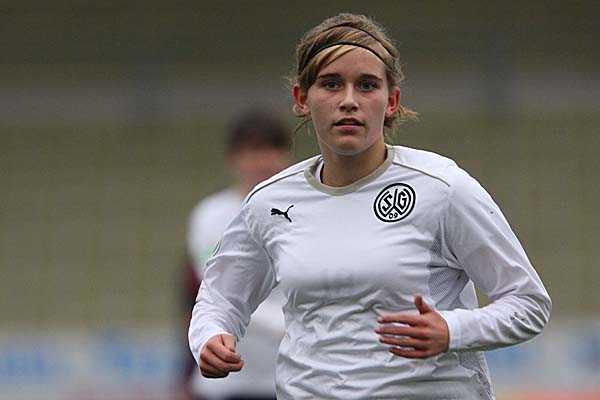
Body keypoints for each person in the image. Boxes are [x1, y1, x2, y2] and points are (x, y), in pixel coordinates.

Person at [188, 13, 551, 400]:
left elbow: (528, 303)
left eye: (366, 85)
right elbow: (219, 300)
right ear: (302, 99)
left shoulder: (443, 188)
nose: (349, 101)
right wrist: (210, 336)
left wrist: (452, 330)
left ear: (391, 100)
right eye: (331, 84)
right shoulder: (269, 202)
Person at [185, 109, 290, 400]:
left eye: (272, 149)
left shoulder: (302, 212)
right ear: (233, 158)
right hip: (228, 384)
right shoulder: (211, 216)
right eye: (253, 151)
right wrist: (293, 327)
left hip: (289, 382)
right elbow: (221, 290)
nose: (264, 161)